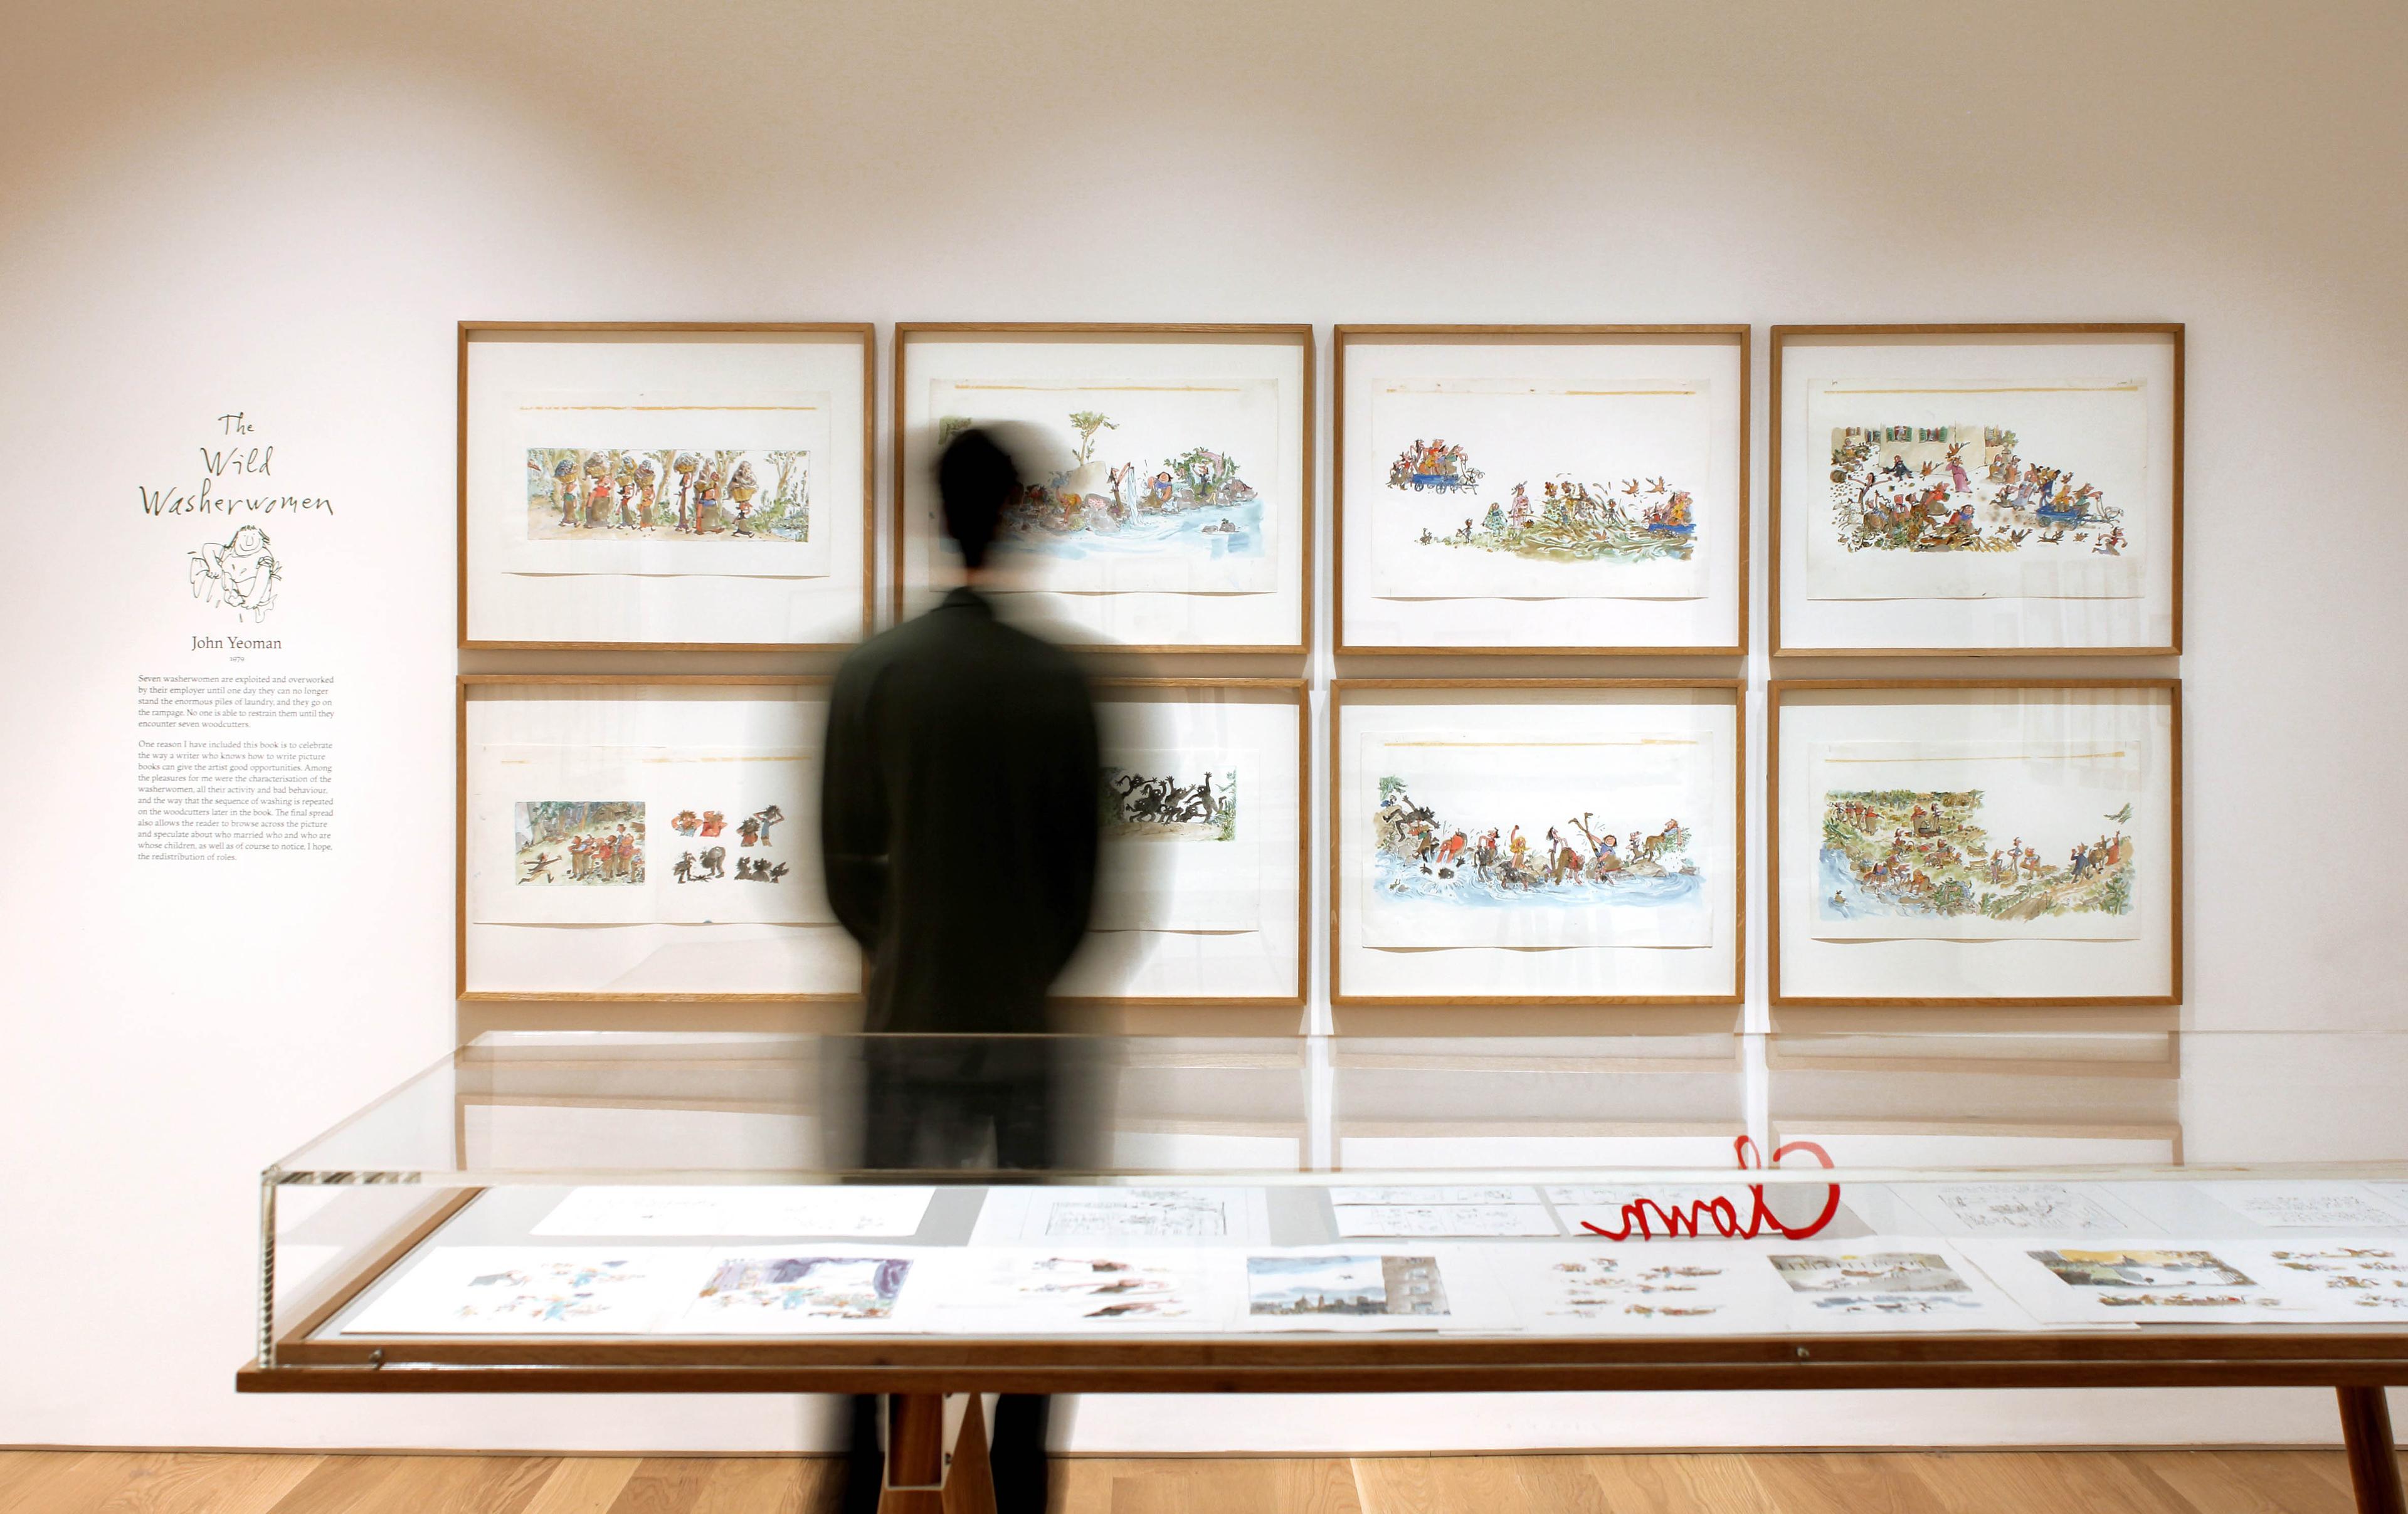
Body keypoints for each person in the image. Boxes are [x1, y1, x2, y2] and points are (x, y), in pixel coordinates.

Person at [821, 426, 1101, 1514]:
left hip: (901, 1025)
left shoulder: (873, 674)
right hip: (1029, 1031)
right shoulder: (1062, 681)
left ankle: (865, 1494)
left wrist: (901, 959)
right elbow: (1085, 886)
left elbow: (844, 872)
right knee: (1036, 1311)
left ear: (935, 516)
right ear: (1016, 514)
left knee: (873, 1297)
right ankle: (1021, 1497)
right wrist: (1021, 971)